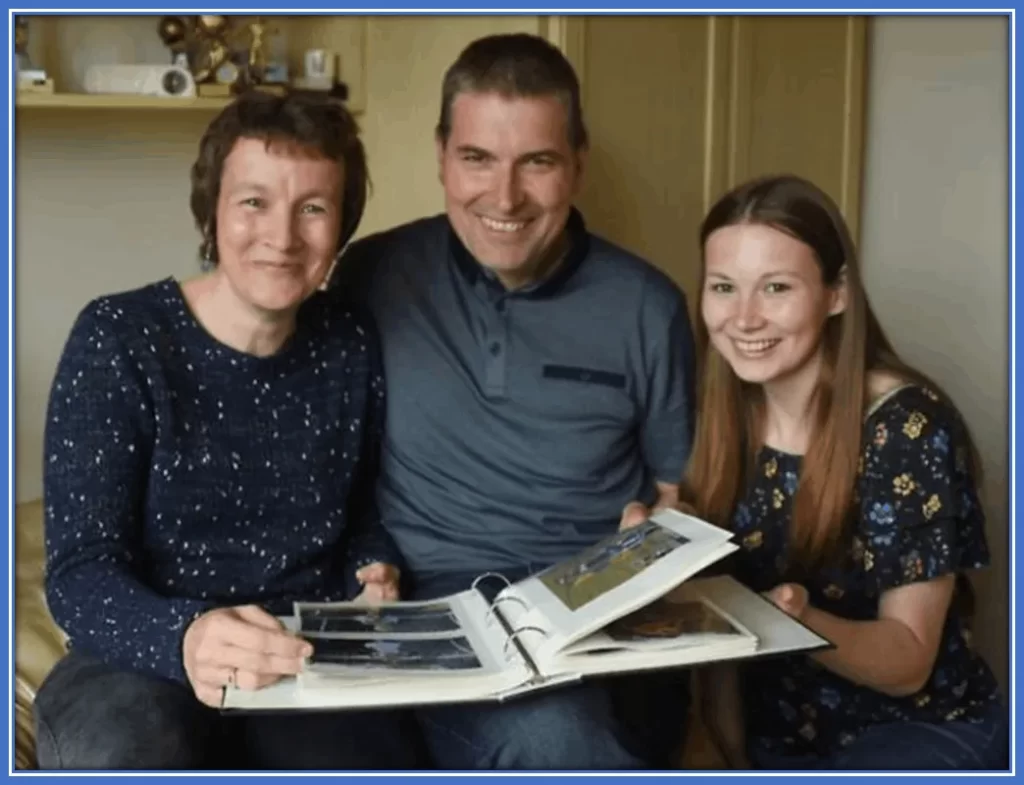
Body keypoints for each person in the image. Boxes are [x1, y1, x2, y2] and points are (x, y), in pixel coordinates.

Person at [329, 33, 696, 769]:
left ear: (578, 165)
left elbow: (677, 490)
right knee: (554, 738)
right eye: (477, 159)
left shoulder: (649, 306)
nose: (505, 198)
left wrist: (653, 538)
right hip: (430, 611)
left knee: (577, 730)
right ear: (440, 155)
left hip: (593, 615)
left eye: (538, 162)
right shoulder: (372, 275)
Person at [35, 92, 415, 770]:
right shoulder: (119, 338)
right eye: (253, 202)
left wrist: (373, 564)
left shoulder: (349, 341)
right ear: (212, 209)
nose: (283, 235)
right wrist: (184, 634)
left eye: (314, 208)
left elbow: (360, 511)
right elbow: (79, 570)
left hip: (303, 647)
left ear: (342, 228)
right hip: (139, 656)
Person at [622, 173, 1008, 770]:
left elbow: (907, 664)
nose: (744, 318)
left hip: (915, 732)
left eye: (775, 287)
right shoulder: (722, 410)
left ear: (837, 293)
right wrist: (661, 549)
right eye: (724, 287)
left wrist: (795, 619)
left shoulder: (908, 429)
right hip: (771, 733)